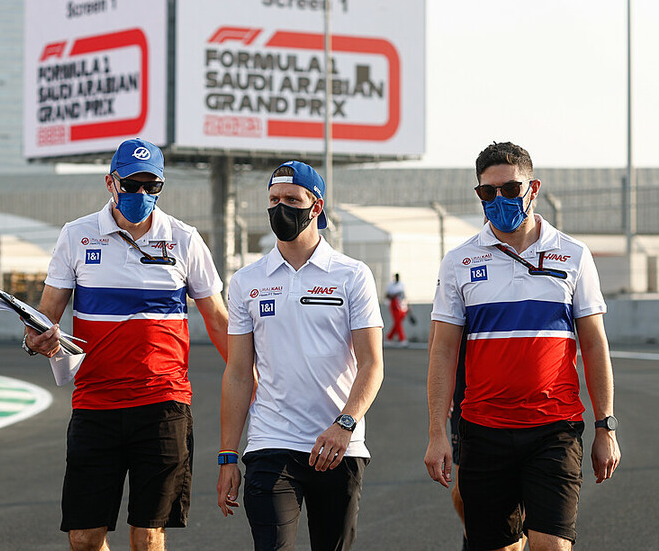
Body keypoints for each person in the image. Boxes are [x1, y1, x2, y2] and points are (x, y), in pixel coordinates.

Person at [23, 138, 228, 551]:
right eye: (131, 185)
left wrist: (255, 379)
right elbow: (44, 319)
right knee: (84, 538)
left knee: (148, 536)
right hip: (95, 404)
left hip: (163, 404)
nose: (141, 194)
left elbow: (219, 321)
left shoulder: (185, 239)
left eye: (152, 186)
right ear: (110, 183)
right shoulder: (76, 235)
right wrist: (36, 340)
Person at [424, 142, 621, 551]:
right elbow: (442, 351)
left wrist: (606, 426)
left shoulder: (574, 254)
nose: (500, 199)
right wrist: (437, 432)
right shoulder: (458, 261)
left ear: (534, 188)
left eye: (511, 189)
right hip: (483, 430)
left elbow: (594, 343)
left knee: (551, 544)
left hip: (554, 428)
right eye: (488, 192)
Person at [217, 160, 385, 551]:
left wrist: (344, 424)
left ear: (316, 206)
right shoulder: (245, 281)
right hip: (270, 442)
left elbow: (372, 364)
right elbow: (238, 373)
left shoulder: (352, 274)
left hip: (339, 446)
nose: (281, 207)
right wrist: (227, 456)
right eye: (274, 199)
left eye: (292, 199)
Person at [385, 273, 409, 345]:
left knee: (398, 322)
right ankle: (402, 339)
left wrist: (408, 306)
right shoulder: (390, 285)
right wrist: (395, 295)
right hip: (394, 304)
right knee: (397, 322)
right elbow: (387, 295)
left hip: (401, 304)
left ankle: (389, 337)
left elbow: (404, 295)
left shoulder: (402, 284)